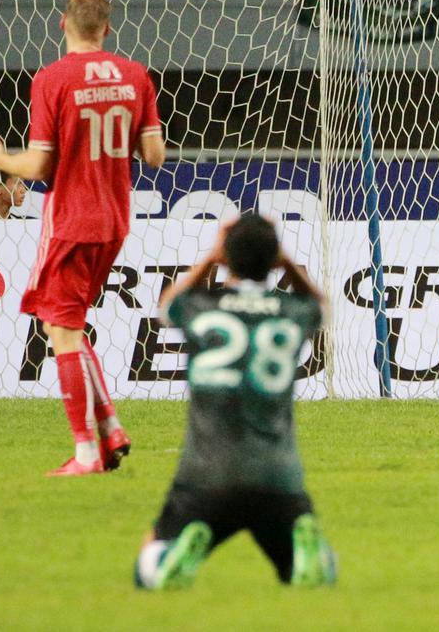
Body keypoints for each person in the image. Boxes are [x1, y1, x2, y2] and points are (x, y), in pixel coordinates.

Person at [0, 0, 166, 474]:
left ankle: (87, 453)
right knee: (67, 325)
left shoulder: (52, 79)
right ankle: (110, 426)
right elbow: (154, 156)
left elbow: (38, 166)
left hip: (71, 219)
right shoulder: (135, 76)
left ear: (63, 24)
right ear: (106, 28)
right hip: (115, 218)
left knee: (60, 331)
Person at [134, 214, 337, 590]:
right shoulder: (292, 311)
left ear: (226, 257)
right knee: (314, 573)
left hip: (205, 475)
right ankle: (309, 556)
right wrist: (287, 262)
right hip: (279, 478)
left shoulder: (203, 306)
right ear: (274, 260)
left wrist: (212, 257)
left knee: (146, 563)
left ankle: (166, 561)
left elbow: (167, 305)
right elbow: (322, 307)